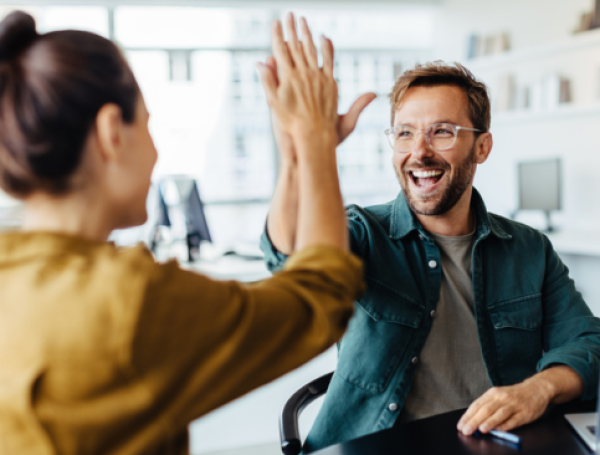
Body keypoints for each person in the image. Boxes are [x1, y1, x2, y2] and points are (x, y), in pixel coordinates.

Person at [0, 11, 365, 455]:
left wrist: (295, 157)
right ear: (111, 132)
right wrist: (315, 138)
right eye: (148, 124)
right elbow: (320, 297)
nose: (156, 152)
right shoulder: (127, 300)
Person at [261, 59, 600, 452]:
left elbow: (588, 341)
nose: (419, 152)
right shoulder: (363, 233)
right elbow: (288, 256)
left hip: (490, 445)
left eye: (442, 132)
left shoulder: (529, 249)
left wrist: (539, 389)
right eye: (405, 133)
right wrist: (298, 155)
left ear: (482, 146)